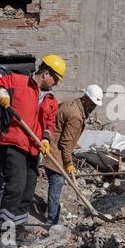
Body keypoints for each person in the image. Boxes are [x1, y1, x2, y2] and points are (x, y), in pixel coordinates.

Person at [0, 55, 65, 245]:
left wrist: (45, 138)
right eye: (56, 79)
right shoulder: (17, 81)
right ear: (45, 74)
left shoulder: (51, 100)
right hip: (13, 143)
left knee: (27, 192)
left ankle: (17, 234)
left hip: (34, 149)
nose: (56, 84)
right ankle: (4, 236)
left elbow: (49, 123)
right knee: (15, 188)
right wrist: (0, 89)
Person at [42, 85, 103, 225]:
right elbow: (65, 143)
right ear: (86, 98)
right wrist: (69, 163)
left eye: (95, 105)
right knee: (56, 182)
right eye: (92, 104)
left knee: (55, 183)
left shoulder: (73, 104)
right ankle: (52, 220)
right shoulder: (76, 115)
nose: (93, 108)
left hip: (53, 147)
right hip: (54, 152)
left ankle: (52, 214)